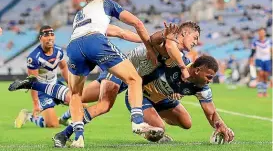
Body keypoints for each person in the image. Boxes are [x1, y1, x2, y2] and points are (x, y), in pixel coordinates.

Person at [9, 21, 201, 147]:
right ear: (183, 33)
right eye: (195, 37)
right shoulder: (169, 42)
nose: (196, 42)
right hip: (122, 71)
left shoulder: (179, 56)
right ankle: (65, 134)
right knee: (104, 106)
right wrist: (176, 55)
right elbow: (165, 43)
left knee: (74, 97)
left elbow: (168, 69)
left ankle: (35, 83)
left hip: (125, 76)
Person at [14, 25, 71, 129]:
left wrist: (71, 86)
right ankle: (29, 116)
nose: (50, 38)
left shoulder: (58, 51)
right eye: (46, 35)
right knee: (53, 125)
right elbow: (33, 82)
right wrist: (36, 105)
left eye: (52, 35)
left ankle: (62, 119)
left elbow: (63, 68)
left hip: (55, 84)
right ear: (40, 38)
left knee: (80, 102)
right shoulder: (34, 57)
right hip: (42, 90)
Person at [249, 28, 272, 97]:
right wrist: (251, 60)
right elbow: (252, 52)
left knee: (265, 75)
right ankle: (259, 92)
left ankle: (265, 91)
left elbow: (271, 50)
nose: (262, 33)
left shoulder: (269, 41)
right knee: (260, 74)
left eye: (263, 32)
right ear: (258, 33)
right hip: (259, 60)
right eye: (260, 32)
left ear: (265, 33)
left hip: (267, 60)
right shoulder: (255, 42)